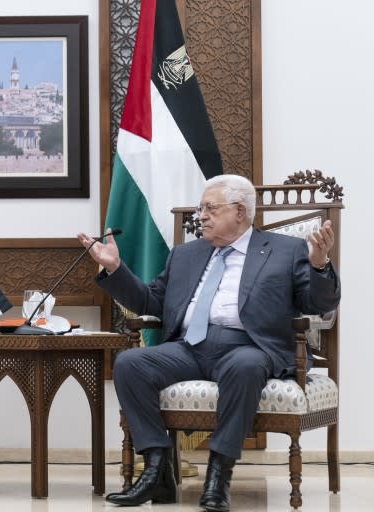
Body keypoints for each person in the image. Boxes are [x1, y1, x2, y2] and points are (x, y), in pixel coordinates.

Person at [78, 174, 340, 512]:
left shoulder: (285, 250)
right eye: (201, 208)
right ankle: (157, 466)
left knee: (245, 367)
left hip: (248, 347)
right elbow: (151, 303)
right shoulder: (185, 254)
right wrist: (115, 269)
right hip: (189, 348)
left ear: (240, 212)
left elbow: (317, 305)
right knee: (130, 364)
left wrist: (320, 267)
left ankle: (219, 474)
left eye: (210, 208)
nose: (201, 215)